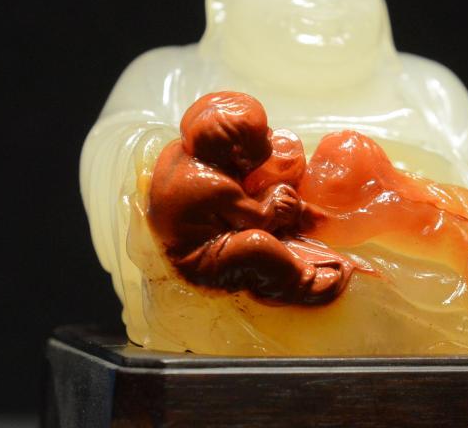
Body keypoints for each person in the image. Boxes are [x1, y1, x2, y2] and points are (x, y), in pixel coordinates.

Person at [147, 91, 352, 305]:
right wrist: (273, 201)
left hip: (184, 232)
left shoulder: (178, 150)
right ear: (239, 154)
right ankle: (297, 281)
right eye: (263, 135)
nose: (271, 134)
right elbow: (258, 220)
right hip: (199, 258)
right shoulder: (216, 185)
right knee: (256, 244)